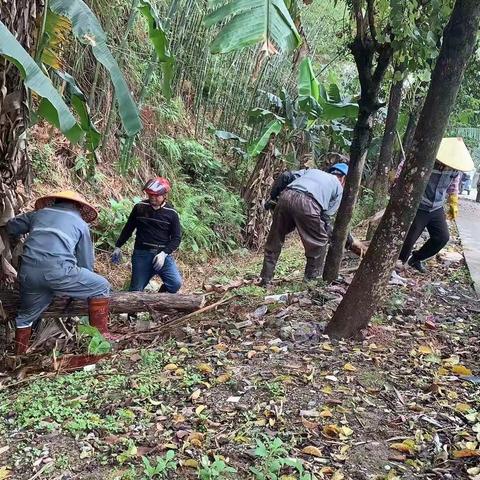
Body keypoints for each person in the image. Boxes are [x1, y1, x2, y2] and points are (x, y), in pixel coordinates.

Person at [6, 191, 112, 355]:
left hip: (28, 273)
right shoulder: (81, 224)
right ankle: (101, 338)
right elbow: (85, 264)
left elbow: (12, 226)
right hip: (59, 272)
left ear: (54, 202)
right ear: (78, 207)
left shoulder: (38, 214)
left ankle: (19, 355)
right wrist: (76, 287)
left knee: (26, 316)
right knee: (101, 286)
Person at [260, 163, 365, 285]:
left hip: (286, 196)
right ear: (344, 178)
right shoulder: (339, 187)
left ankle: (265, 279)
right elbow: (325, 218)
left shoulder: (312, 171)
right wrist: (346, 239)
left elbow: (285, 176)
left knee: (275, 239)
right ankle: (311, 281)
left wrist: (273, 198)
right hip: (309, 203)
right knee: (319, 243)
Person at [398, 137, 474, 273]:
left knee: (442, 237)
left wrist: (453, 202)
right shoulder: (427, 158)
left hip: (436, 207)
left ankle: (416, 259)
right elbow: (403, 168)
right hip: (418, 205)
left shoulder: (455, 169)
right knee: (409, 239)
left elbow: (453, 186)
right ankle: (397, 265)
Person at [112, 177, 182, 293]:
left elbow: (176, 238)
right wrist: (118, 246)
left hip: (162, 255)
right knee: (136, 290)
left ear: (164, 195)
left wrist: (164, 254)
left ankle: (159, 301)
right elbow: (128, 228)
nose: (152, 198)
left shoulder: (171, 213)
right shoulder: (139, 208)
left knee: (175, 283)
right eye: (150, 195)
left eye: (156, 195)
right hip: (141, 254)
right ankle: (132, 311)